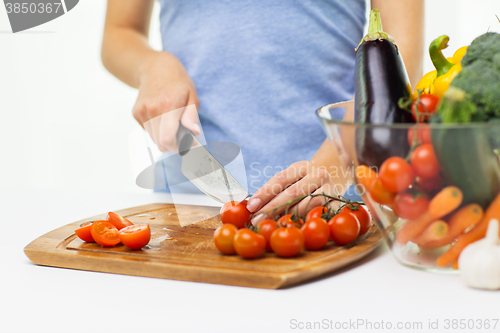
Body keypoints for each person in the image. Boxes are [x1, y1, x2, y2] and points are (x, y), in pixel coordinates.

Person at [102, 0, 424, 225]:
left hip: (338, 199)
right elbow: (119, 31)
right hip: (190, 198)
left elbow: (400, 53)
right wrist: (153, 66)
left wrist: (336, 161)